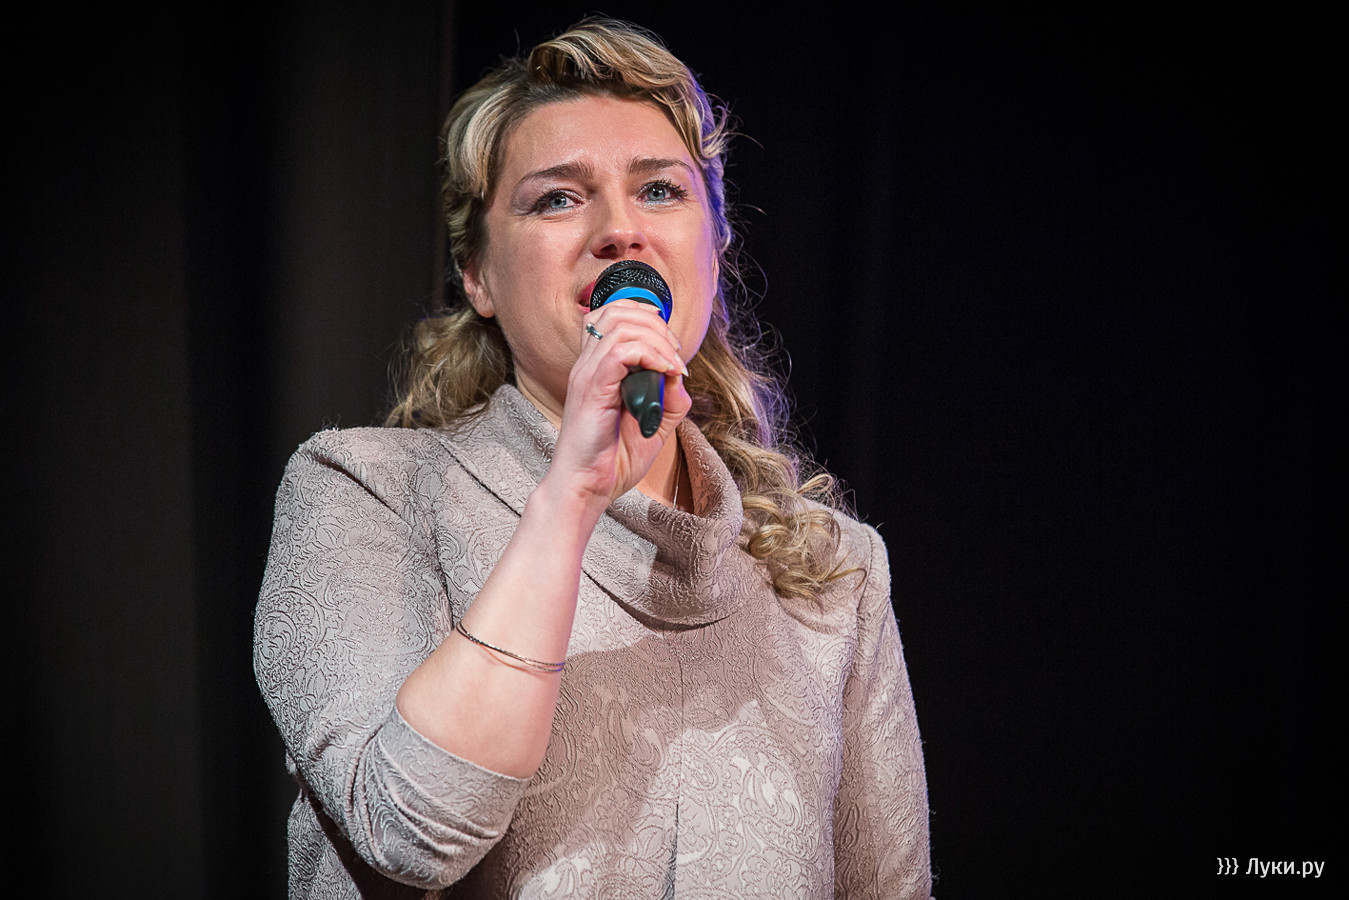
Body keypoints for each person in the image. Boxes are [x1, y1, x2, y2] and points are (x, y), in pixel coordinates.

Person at [255, 17, 931, 899]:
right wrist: (572, 493)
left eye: (659, 190)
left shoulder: (833, 572)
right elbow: (411, 832)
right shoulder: (367, 492)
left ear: (715, 244)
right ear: (477, 275)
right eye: (557, 200)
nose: (619, 229)